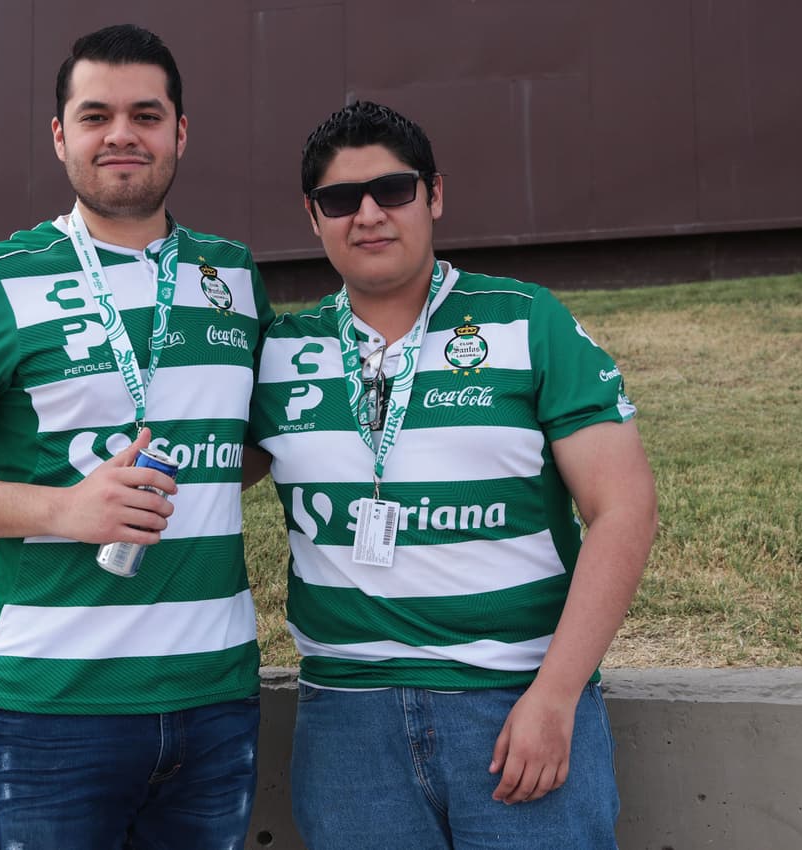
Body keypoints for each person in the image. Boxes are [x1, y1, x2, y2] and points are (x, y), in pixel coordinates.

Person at [0, 24, 272, 850]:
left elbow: (254, 444)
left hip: (215, 696)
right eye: (95, 116)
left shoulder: (232, 275)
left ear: (180, 133)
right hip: (55, 712)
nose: (121, 134)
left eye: (146, 114)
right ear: (61, 137)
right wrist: (69, 510)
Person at [246, 101, 658, 849]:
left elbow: (624, 507)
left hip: (514, 701)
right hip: (346, 718)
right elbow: (198, 474)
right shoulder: (280, 353)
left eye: (392, 191)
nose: (368, 214)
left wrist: (556, 695)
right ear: (313, 217)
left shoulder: (527, 321)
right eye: (341, 200)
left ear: (434, 195)